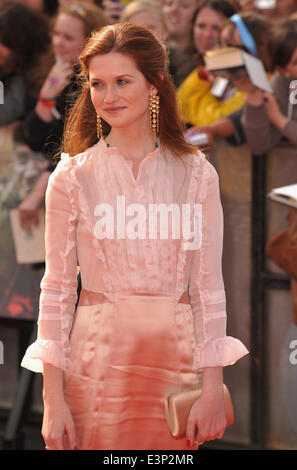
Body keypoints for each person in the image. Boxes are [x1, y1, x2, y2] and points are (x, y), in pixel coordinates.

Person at [21, 22, 248, 450]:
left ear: (155, 84)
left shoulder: (197, 175)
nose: (108, 97)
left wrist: (213, 385)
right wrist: (52, 398)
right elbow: (56, 291)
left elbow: (207, 287)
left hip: (178, 366)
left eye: (123, 81)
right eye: (98, 84)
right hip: (95, 364)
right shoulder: (71, 178)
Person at [18, 1, 108, 232]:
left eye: (68, 38)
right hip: (53, 180)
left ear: (89, 43)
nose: (58, 42)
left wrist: (40, 189)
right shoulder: (50, 68)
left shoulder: (97, 83)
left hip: (88, 195)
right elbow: (34, 139)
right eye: (56, 33)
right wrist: (46, 97)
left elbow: (78, 145)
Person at [177, 0, 244, 128]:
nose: (207, 35)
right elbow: (179, 108)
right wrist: (204, 74)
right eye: (201, 26)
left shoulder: (242, 74)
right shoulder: (190, 63)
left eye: (216, 28)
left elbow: (214, 120)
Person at [241, 16, 297, 154]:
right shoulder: (282, 85)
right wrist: (253, 94)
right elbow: (259, 145)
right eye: (296, 63)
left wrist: (280, 120)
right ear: (282, 70)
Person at [120, 0, 196, 87]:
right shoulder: (114, 66)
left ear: (165, 31)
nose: (143, 35)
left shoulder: (183, 67)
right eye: (135, 29)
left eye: (151, 28)